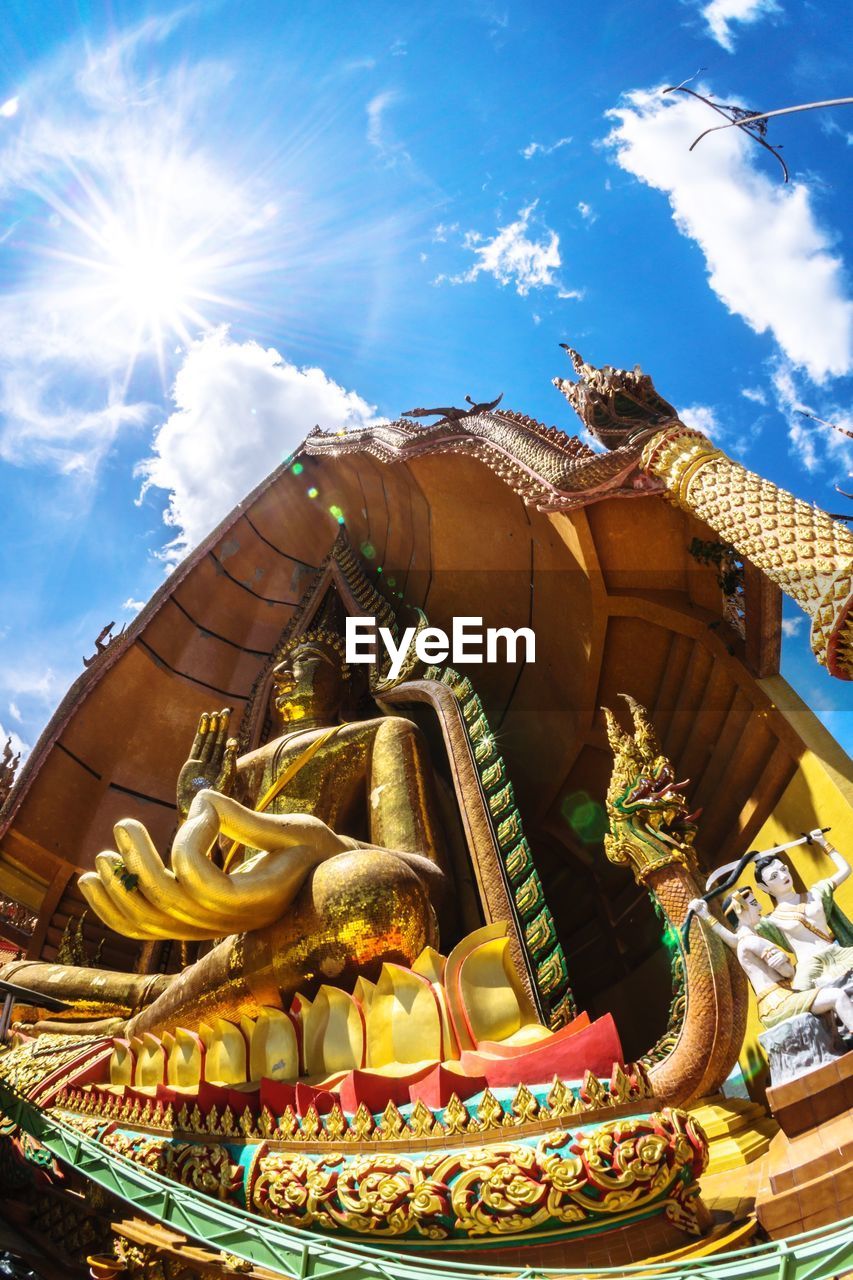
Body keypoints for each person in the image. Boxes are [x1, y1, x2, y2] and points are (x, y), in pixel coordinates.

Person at [688, 889, 853, 1034]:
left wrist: (705, 915)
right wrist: (786, 960)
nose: (760, 907)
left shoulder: (744, 941)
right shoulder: (755, 942)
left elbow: (732, 939)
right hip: (780, 1002)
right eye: (754, 903)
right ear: (740, 909)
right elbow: (788, 973)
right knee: (836, 995)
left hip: (771, 1006)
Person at [751, 830, 853, 991]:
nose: (783, 876)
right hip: (810, 966)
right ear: (764, 887)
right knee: (802, 1004)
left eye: (783, 869)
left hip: (839, 954)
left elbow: (845, 870)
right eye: (774, 876)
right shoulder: (769, 922)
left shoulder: (816, 894)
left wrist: (823, 842)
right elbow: (741, 938)